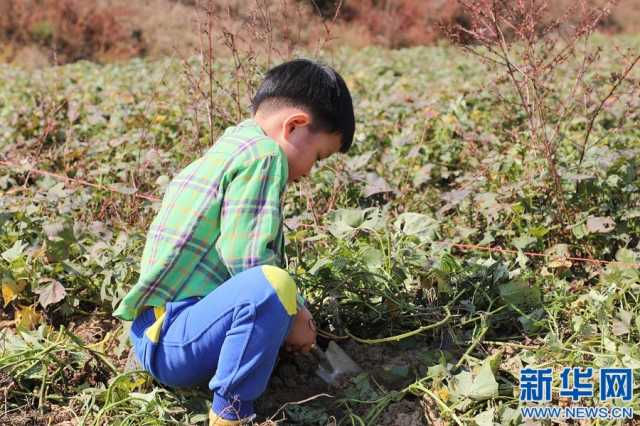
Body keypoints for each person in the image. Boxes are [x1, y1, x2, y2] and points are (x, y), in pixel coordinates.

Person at [112, 58, 356, 425]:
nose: (309, 173)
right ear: (294, 126)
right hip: (174, 341)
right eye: (318, 157)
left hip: (158, 336)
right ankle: (231, 414)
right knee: (273, 286)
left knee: (273, 292)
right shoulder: (264, 155)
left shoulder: (231, 147)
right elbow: (248, 259)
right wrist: (296, 311)